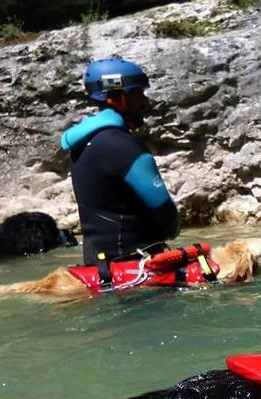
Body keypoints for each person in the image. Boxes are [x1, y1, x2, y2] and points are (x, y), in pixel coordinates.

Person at [61, 58, 179, 265]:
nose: (144, 101)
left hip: (97, 266)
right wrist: (172, 230)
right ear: (116, 97)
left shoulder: (81, 144)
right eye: (137, 94)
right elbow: (165, 214)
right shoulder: (124, 146)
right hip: (137, 266)